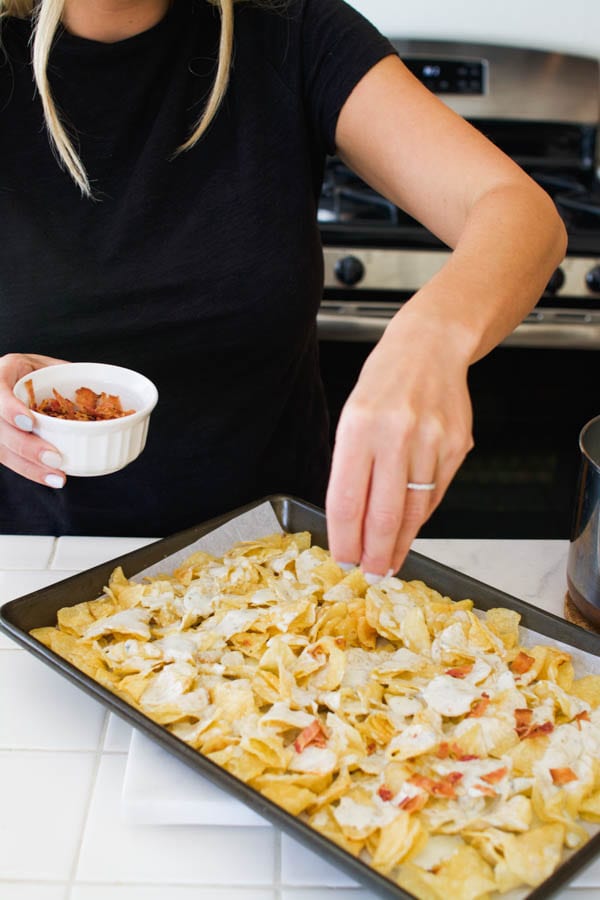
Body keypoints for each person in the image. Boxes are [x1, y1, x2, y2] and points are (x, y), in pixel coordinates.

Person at [0, 0, 566, 579]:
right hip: (28, 571)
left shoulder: (291, 28)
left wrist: (429, 341)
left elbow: (521, 212)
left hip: (280, 577)